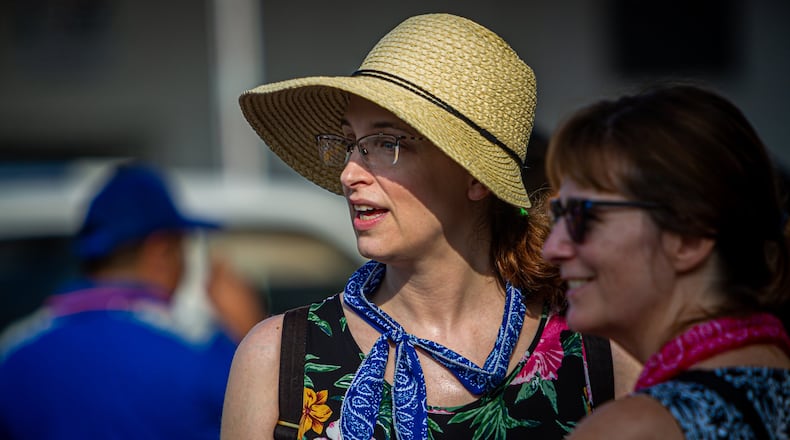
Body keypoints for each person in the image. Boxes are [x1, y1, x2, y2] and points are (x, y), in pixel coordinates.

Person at [222, 13, 640, 440]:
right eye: (350, 143)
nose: (350, 174)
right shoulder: (278, 357)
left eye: (386, 143)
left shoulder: (597, 358)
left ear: (476, 176)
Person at [541, 83, 790, 439]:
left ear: (689, 237)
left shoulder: (634, 429)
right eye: (557, 216)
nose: (552, 248)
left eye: (582, 216)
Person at [0, 161, 262, 439]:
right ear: (160, 252)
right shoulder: (200, 353)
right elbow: (265, 418)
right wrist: (250, 336)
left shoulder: (14, 353)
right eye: (180, 250)